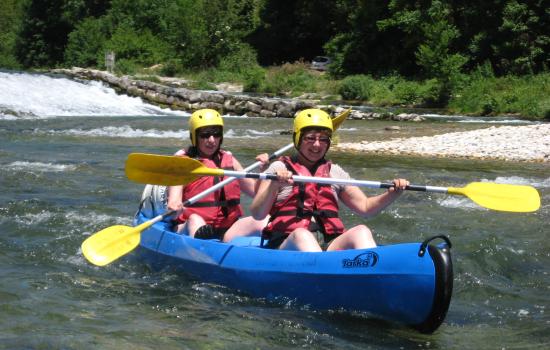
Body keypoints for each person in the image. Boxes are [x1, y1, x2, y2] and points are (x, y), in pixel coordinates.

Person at [250, 108, 409, 252]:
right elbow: (258, 214)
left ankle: (373, 274)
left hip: (328, 244)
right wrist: (274, 184)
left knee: (361, 231)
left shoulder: (335, 172)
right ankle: (323, 274)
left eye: (324, 139)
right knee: (302, 235)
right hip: (287, 243)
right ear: (298, 139)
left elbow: (366, 207)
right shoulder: (279, 168)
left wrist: (393, 193)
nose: (317, 145)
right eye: (310, 138)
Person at [167, 108, 269, 242]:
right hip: (189, 226)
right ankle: (202, 249)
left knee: (265, 220)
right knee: (195, 220)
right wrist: (175, 207)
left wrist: (264, 172)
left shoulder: (229, 159)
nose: (211, 140)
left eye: (216, 134)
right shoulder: (182, 163)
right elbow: (174, 200)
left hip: (227, 228)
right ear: (194, 136)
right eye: (205, 135)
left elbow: (256, 193)